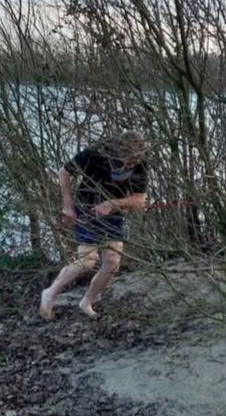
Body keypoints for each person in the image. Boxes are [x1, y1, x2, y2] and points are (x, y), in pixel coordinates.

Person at [39, 132, 148, 320]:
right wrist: (67, 206)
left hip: (113, 214)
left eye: (133, 163)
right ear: (117, 153)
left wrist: (113, 204)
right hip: (86, 208)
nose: (130, 166)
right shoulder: (94, 153)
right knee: (87, 261)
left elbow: (139, 200)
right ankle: (49, 293)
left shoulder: (141, 162)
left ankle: (87, 302)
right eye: (127, 162)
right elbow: (64, 172)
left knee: (112, 262)